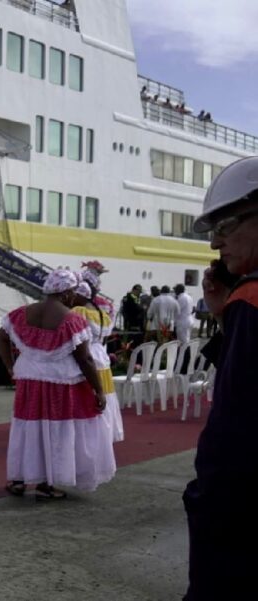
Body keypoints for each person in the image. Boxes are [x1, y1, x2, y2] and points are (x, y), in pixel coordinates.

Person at [182, 156, 258, 599]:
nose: (215, 244)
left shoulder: (251, 300)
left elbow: (237, 429)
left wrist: (205, 496)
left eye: (225, 226)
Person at [0, 269, 115, 499]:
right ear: (66, 292)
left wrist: (11, 366)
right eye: (72, 292)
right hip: (60, 381)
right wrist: (98, 390)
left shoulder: (22, 314)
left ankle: (19, 479)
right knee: (55, 430)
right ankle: (46, 484)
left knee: (28, 427)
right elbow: (85, 358)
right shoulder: (72, 320)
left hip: (29, 379)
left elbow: (1, 336)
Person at [73, 282, 124, 443]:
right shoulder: (102, 314)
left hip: (87, 353)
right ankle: (106, 430)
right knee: (105, 393)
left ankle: (89, 433)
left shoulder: (79, 311)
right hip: (102, 355)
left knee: (88, 392)